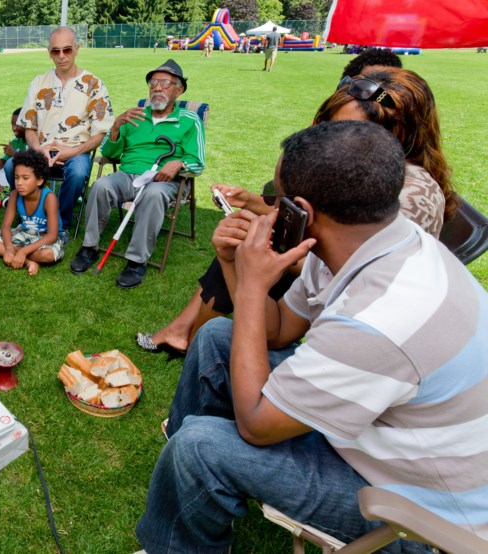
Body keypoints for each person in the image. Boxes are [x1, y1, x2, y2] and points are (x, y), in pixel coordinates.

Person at [135, 120, 488, 553]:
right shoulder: (373, 239)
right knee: (216, 338)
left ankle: (177, 522)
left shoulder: (379, 319)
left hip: (421, 513)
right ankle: (186, 488)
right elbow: (280, 330)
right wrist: (232, 263)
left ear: (302, 211)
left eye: (277, 199)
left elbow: (257, 425)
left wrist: (250, 288)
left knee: (199, 447)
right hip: (379, 433)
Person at [138, 67, 452, 356]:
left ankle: (187, 336)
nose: (326, 142)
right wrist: (250, 210)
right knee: (240, 247)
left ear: (394, 136)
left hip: (349, 340)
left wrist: (267, 252)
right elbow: (282, 325)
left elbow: (339, 272)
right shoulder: (355, 176)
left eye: (348, 131)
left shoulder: (403, 198)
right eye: (326, 127)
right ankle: (188, 335)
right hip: (311, 303)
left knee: (247, 251)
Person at [70, 60, 205, 289]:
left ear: (179, 89)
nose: (157, 88)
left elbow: (198, 162)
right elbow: (110, 153)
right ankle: (89, 247)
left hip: (164, 180)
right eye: (153, 83)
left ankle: (136, 261)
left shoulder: (190, 120)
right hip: (128, 174)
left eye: (165, 83)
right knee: (101, 186)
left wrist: (179, 163)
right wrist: (115, 129)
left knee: (153, 195)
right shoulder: (135, 116)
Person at [12, 26, 113, 236]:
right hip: (41, 149)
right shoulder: (39, 82)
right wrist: (38, 148)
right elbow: (29, 127)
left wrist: (72, 152)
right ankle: (33, 215)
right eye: (55, 51)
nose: (61, 56)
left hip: (76, 148)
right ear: (49, 52)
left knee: (77, 173)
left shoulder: (93, 84)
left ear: (77, 49)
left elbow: (100, 133)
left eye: (67, 50)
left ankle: (60, 223)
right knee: (9, 168)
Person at [0, 149, 64, 276]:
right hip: (23, 233)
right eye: (16, 178)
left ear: (39, 180)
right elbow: (6, 226)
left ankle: (1, 251)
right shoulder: (14, 195)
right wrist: (8, 249)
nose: (19, 183)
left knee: (48, 255)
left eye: (25, 178)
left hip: (44, 237)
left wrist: (23, 252)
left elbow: (52, 236)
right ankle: (28, 262)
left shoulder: (49, 198)